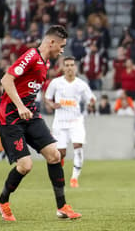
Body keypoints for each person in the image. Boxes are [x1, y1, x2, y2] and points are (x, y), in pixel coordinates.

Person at [0, 25, 82, 221]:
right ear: (51, 42)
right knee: (25, 165)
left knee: (54, 154)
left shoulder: (46, 63)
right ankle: (2, 201)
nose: (62, 50)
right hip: (10, 118)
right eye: (61, 46)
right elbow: (6, 80)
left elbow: (28, 88)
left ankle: (62, 207)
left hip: (30, 115)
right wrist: (20, 106)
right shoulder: (31, 56)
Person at [45, 56, 96, 188]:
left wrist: (91, 104)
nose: (69, 68)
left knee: (78, 146)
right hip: (60, 122)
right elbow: (47, 98)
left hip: (76, 121)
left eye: (71, 65)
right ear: (63, 68)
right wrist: (51, 105)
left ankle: (74, 178)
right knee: (61, 153)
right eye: (66, 65)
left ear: (75, 67)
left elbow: (90, 99)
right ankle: (60, 166)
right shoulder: (55, 83)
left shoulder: (81, 84)